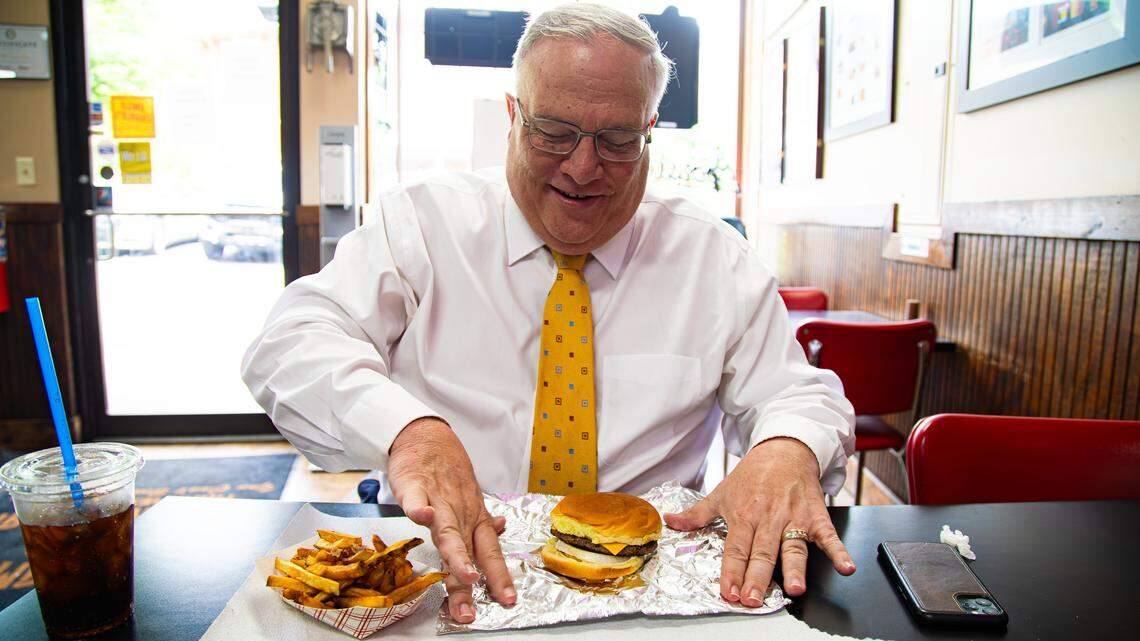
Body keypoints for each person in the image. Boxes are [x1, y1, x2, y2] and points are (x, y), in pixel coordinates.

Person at [242, 3, 856, 625]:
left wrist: (787, 447)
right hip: (447, 575)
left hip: (652, 593)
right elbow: (290, 341)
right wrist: (407, 431)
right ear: (512, 116)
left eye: (617, 141)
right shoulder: (423, 228)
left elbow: (799, 395)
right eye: (553, 133)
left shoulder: (714, 259)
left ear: (649, 132)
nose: (583, 168)